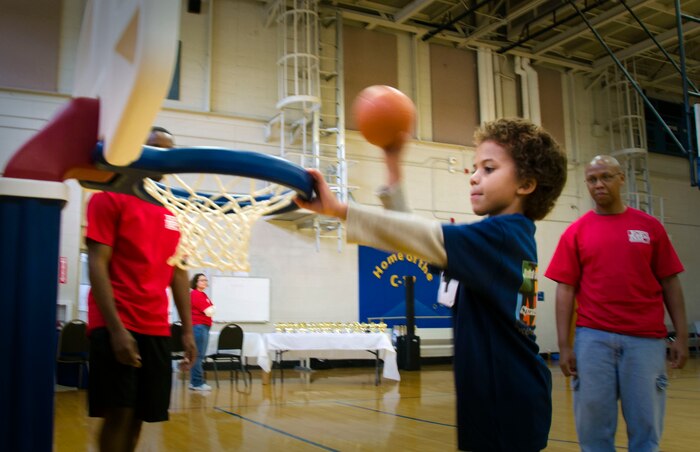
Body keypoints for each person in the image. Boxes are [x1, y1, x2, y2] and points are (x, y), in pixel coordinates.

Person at [296, 118, 568, 451]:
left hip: (506, 396)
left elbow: (421, 236)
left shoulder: (499, 237)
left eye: (488, 168)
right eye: (474, 167)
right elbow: (416, 238)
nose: (474, 176)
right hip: (507, 392)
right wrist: (393, 165)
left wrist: (338, 209)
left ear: (526, 184)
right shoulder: (508, 236)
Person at [545, 155, 688, 452]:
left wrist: (681, 337)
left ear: (621, 178)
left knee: (646, 430)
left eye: (606, 177)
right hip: (592, 340)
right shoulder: (576, 232)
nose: (599, 184)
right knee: (593, 431)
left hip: (646, 341)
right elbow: (565, 290)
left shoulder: (650, 228)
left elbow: (670, 282)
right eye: (592, 179)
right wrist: (565, 345)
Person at [86, 127, 197, 452]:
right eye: (155, 149)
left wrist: (187, 330)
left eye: (169, 151)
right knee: (119, 413)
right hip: (116, 323)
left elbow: (179, 273)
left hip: (156, 327)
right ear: (138, 151)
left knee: (138, 416)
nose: (163, 157)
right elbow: (97, 264)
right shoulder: (108, 197)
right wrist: (117, 330)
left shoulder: (174, 210)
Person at [189, 273, 215, 391]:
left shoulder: (203, 294)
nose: (205, 282)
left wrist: (212, 309)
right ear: (196, 282)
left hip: (203, 326)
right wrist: (212, 309)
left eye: (205, 280)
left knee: (198, 355)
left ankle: (193, 382)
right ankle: (197, 383)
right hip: (199, 327)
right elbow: (209, 311)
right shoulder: (195, 294)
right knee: (198, 355)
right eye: (202, 280)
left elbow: (211, 310)